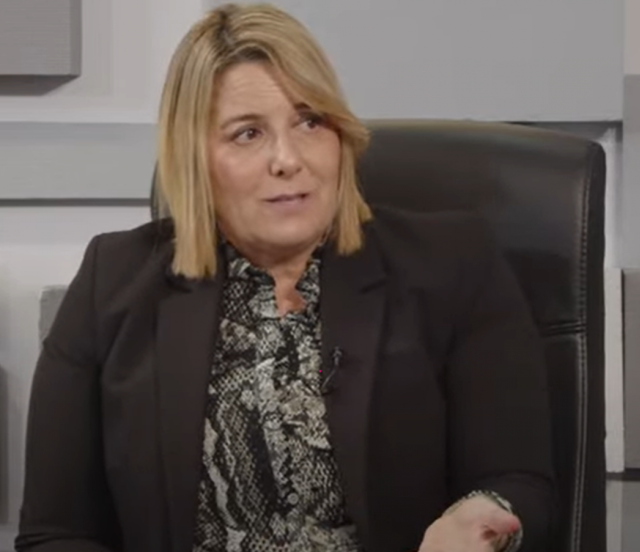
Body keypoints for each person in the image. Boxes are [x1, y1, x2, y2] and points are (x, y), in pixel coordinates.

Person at [15, 3, 556, 552]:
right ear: (194, 157)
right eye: (248, 133)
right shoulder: (111, 284)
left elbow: (520, 481)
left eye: (309, 121)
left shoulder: (453, 264)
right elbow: (55, 533)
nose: (287, 159)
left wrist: (484, 519)